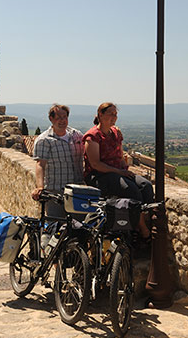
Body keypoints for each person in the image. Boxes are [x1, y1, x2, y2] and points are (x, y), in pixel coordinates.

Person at [83, 102, 152, 238]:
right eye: (111, 114)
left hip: (118, 172)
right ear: (100, 115)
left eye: (115, 114)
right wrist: (120, 172)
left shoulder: (116, 133)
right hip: (99, 175)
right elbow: (96, 164)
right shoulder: (92, 137)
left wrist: (125, 170)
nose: (114, 117)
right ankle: (142, 229)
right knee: (132, 191)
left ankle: (139, 220)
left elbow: (120, 156)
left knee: (146, 186)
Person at [31, 104, 84, 218]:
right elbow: (40, 164)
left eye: (64, 117)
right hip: (56, 192)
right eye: (58, 117)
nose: (62, 120)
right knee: (55, 226)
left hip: (77, 191)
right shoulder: (44, 140)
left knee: (79, 228)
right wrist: (40, 187)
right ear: (51, 119)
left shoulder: (76, 135)